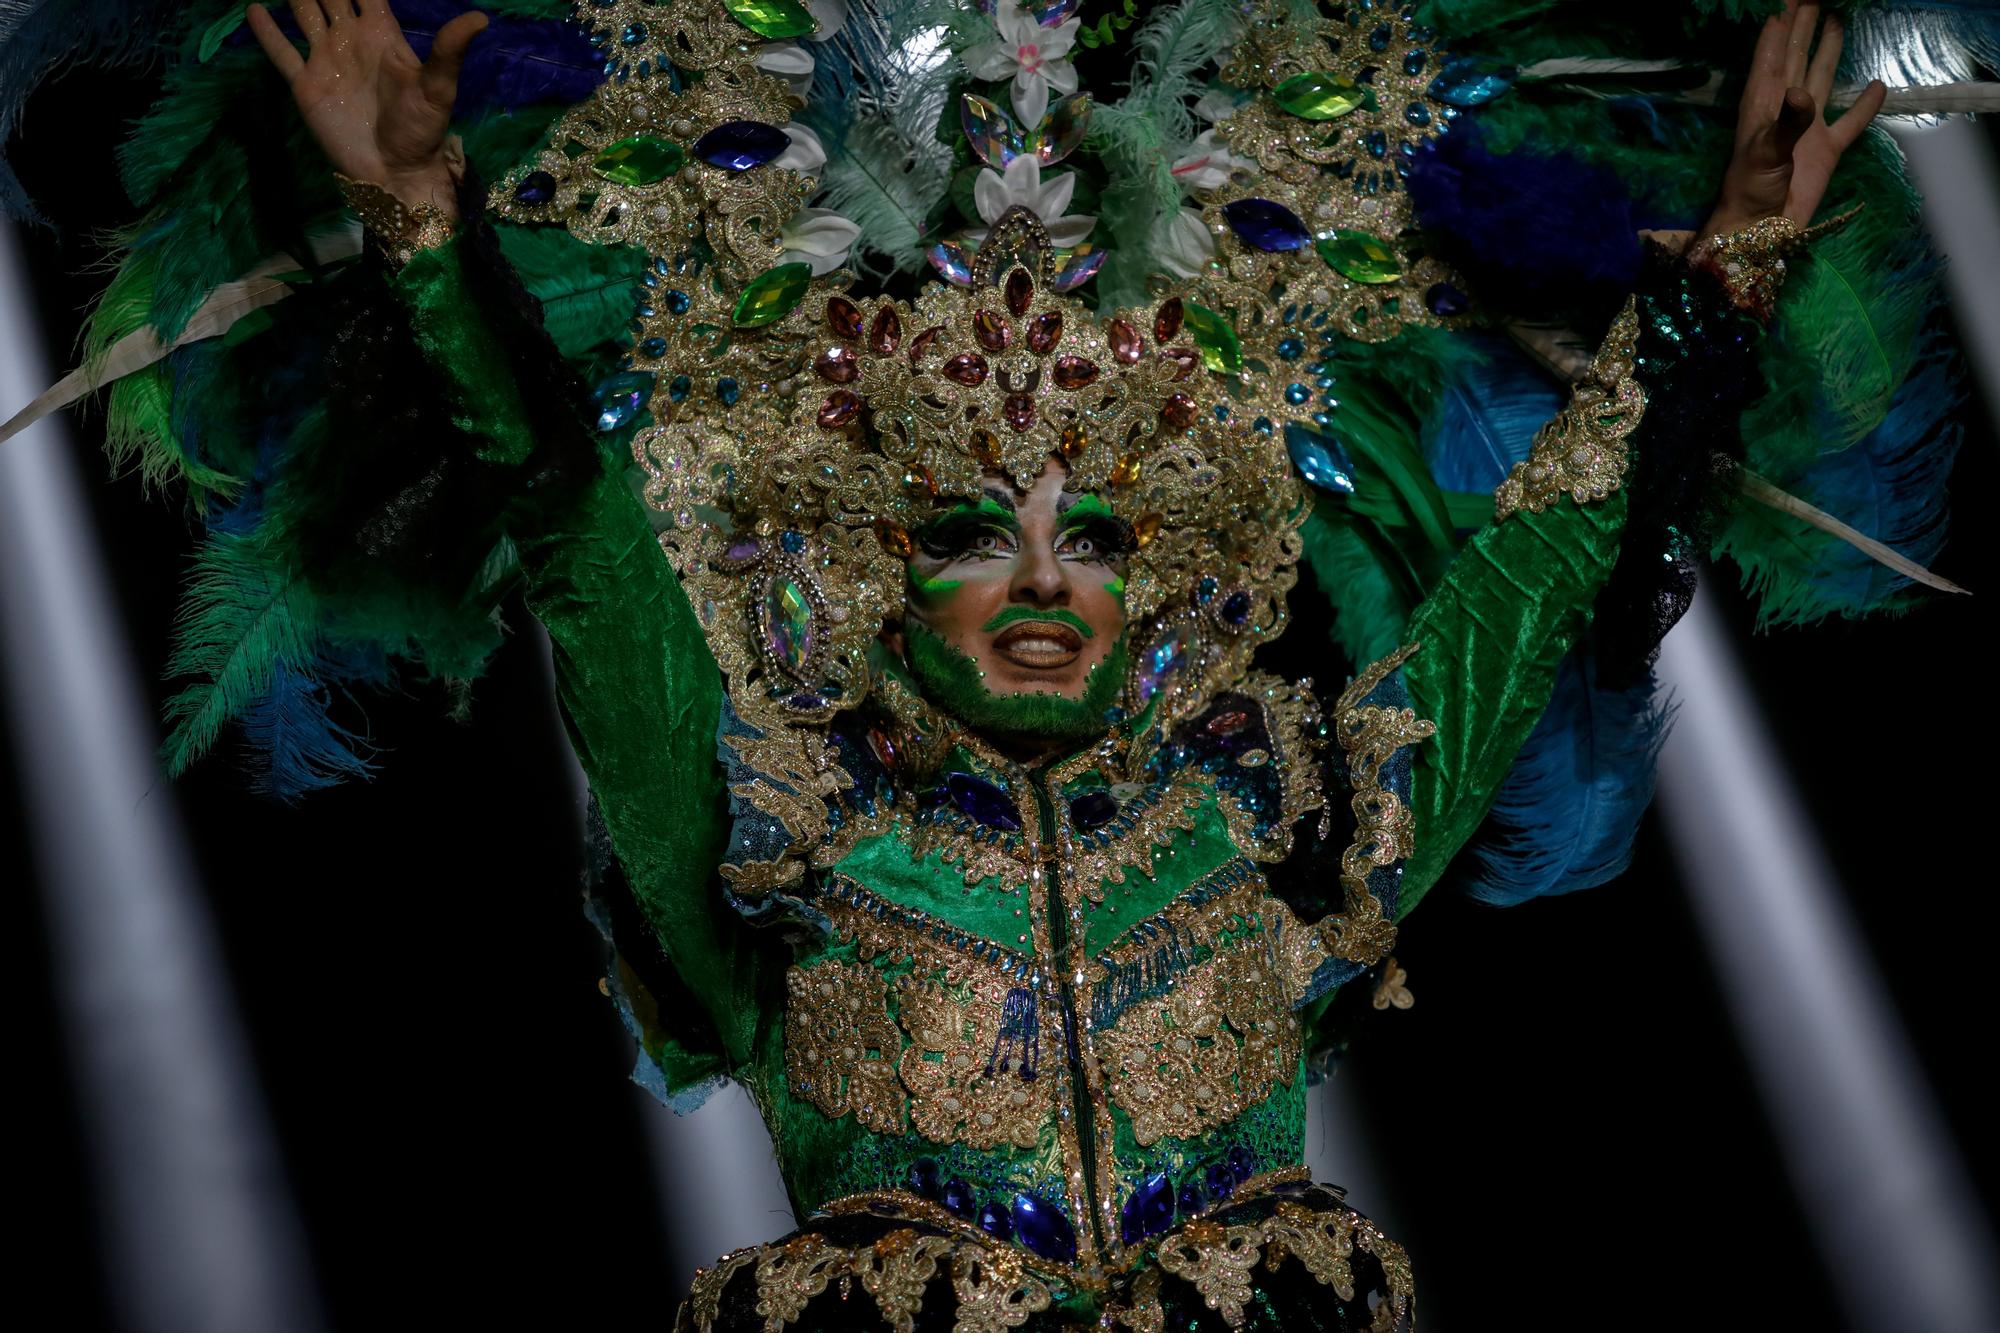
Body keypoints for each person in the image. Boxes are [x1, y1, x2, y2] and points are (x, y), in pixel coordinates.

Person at [6, 0, 1958, 1327]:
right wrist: (425, 228)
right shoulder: (778, 856)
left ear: (1171, 577)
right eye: (968, 528)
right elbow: (583, 545)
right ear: (882, 582)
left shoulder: (1290, 835)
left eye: (1095, 531)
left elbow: (1525, 577)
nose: (1042, 568)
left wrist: (1719, 288)